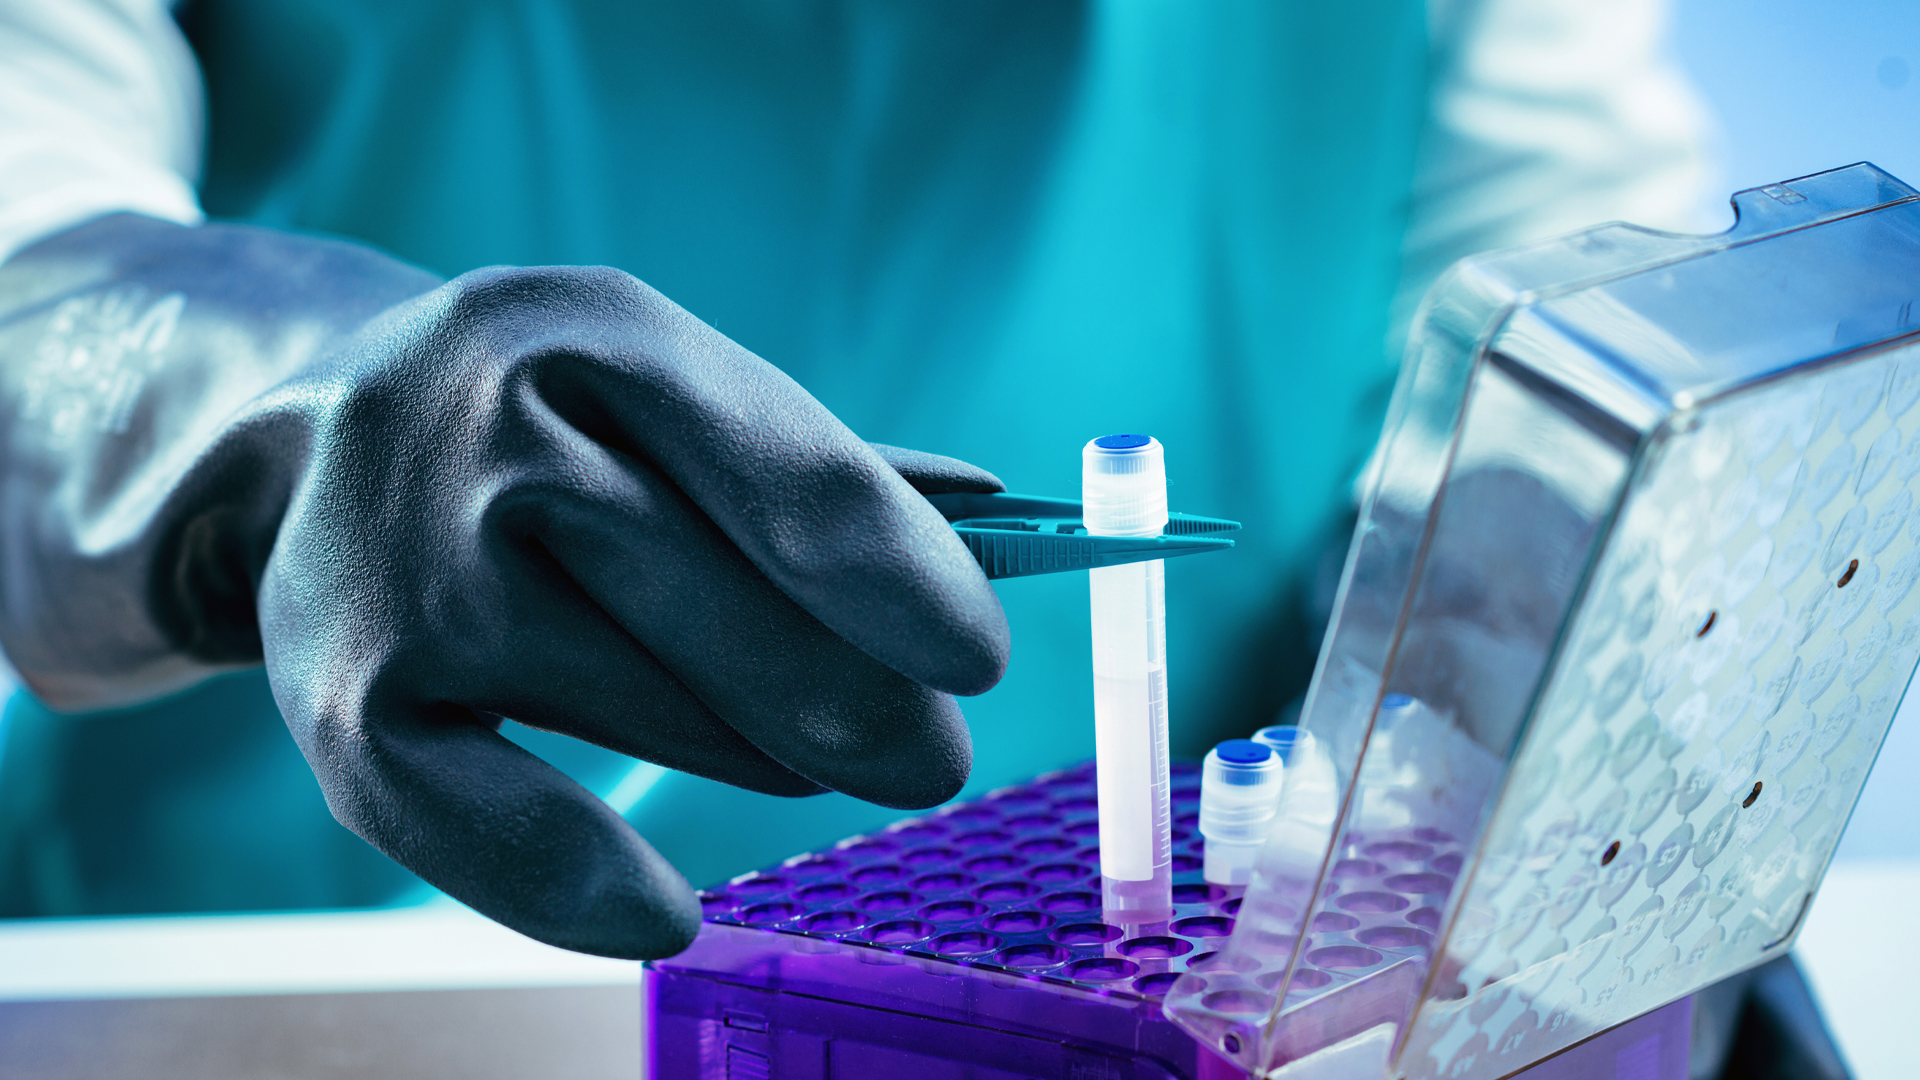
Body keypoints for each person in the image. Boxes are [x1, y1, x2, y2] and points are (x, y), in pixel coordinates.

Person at [0, 0, 1712, 960]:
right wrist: (258, 406)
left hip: (1121, 996)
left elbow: (1558, 327)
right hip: (258, 978)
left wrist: (1556, 661)